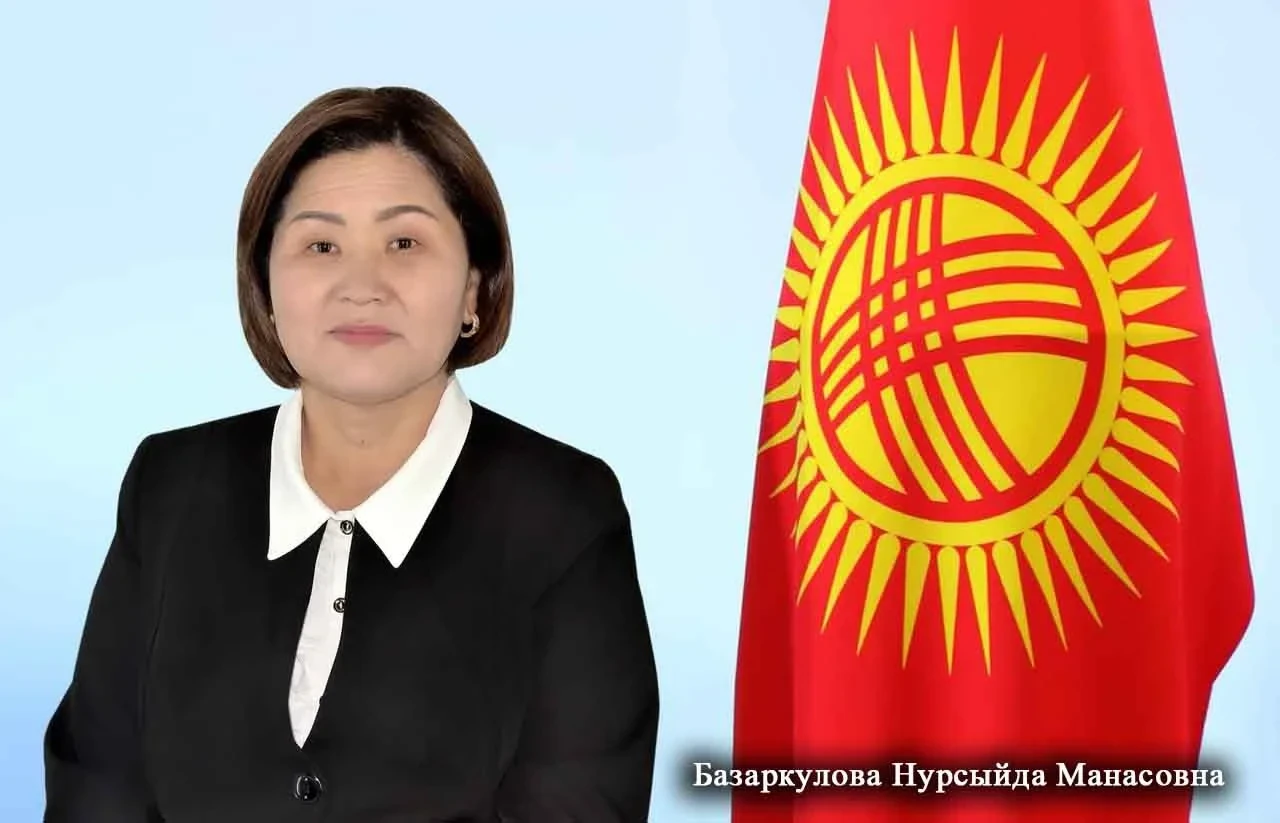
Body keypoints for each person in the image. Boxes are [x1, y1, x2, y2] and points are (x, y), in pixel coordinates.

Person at [42, 86, 660, 823]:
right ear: (265, 285)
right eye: (321, 246)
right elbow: (96, 790)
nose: (362, 288)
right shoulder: (170, 486)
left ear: (474, 287)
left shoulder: (563, 515)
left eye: (404, 244)